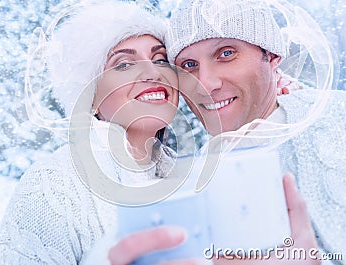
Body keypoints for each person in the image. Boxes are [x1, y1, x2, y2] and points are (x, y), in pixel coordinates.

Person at [107, 0, 346, 264]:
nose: (206, 84)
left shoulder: (334, 121)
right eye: (188, 66)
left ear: (273, 56)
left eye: (226, 53)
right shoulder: (198, 178)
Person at [0, 0, 180, 264]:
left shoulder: (183, 178)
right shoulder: (54, 184)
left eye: (160, 59)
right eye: (124, 64)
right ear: (91, 97)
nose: (153, 72)